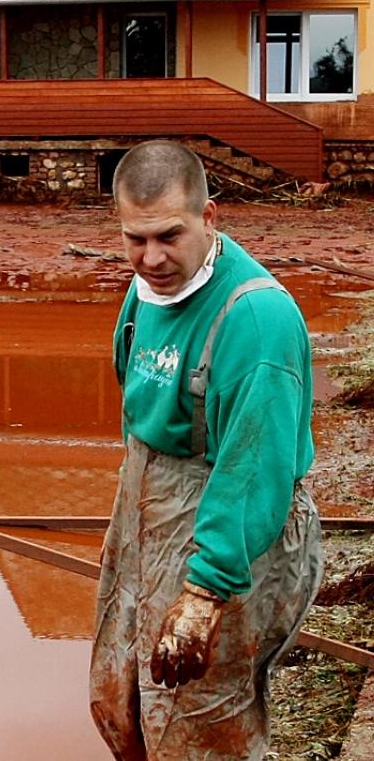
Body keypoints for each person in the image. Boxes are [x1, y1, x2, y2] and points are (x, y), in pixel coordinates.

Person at [91, 140, 322, 760]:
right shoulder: (145, 289)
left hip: (232, 513)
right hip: (148, 501)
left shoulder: (256, 321)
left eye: (169, 235)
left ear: (209, 217)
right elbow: (137, 407)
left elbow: (254, 469)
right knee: (122, 693)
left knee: (200, 717)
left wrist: (205, 591)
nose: (153, 257)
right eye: (135, 239)